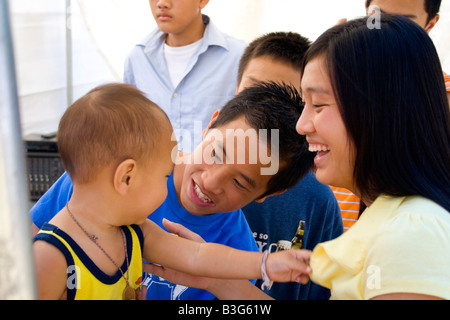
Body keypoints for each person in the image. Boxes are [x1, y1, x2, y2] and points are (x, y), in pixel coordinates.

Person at [145, 14, 450, 300]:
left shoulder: (411, 233)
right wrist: (215, 279)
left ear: (377, 112)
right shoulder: (395, 222)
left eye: (318, 104)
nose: (302, 126)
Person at [31, 81, 315, 300]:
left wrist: (265, 264)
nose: (211, 181)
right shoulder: (54, 249)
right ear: (125, 178)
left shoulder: (136, 231)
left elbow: (197, 256)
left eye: (239, 182)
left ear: (266, 195)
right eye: (166, 174)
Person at [235, 32, 343, 300]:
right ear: (234, 89)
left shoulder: (317, 199)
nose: (263, 113)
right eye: (253, 91)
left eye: (284, 103)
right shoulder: (182, 178)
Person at [123, 0, 247, 152]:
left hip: (212, 174)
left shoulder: (239, 58)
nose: (162, 3)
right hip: (155, 174)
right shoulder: (137, 59)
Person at [365, 0, 450, 103]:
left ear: (429, 25)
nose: (386, 29)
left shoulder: (440, 92)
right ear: (367, 10)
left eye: (403, 22)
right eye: (378, 16)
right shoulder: (344, 61)